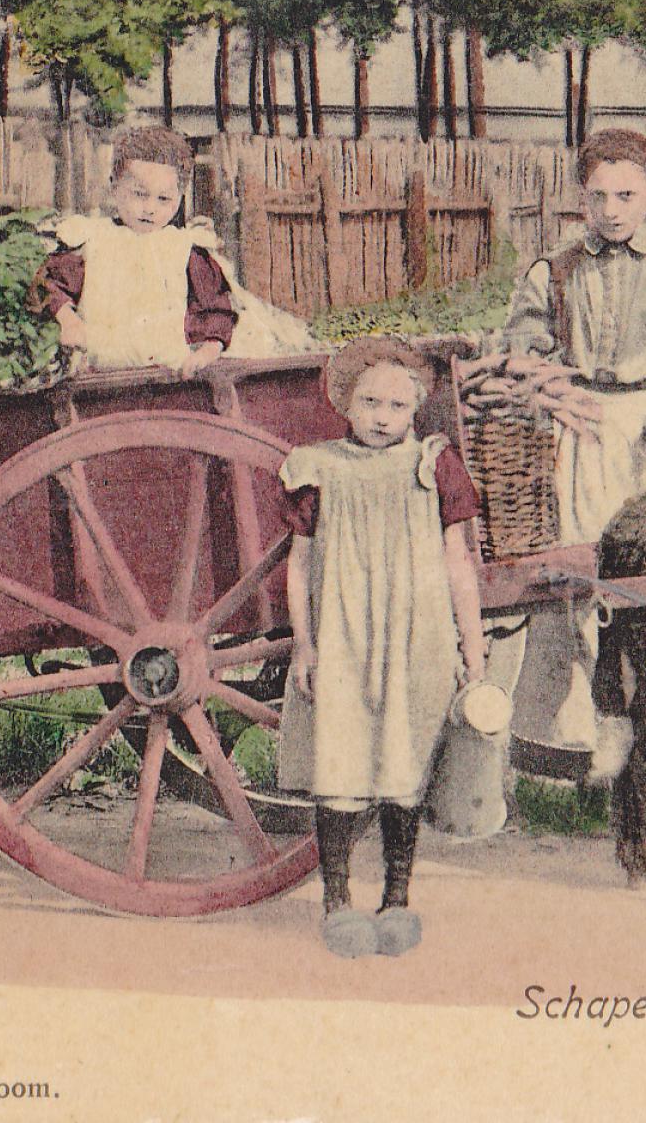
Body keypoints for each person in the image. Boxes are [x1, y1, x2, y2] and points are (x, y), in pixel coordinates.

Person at [498, 128, 646, 775]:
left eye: (626, 195)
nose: (611, 209)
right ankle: (582, 738)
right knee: (579, 589)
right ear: (581, 196)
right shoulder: (554, 272)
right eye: (599, 195)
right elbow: (518, 358)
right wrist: (550, 393)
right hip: (584, 439)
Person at [277, 336, 487, 958]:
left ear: (417, 408)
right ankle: (337, 900)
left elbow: (457, 563)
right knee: (340, 762)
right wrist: (304, 646)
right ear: (346, 402)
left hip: (415, 637)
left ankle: (397, 898)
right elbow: (299, 564)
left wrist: (473, 657)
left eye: (397, 406)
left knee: (404, 763)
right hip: (343, 635)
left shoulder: (434, 463)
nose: (381, 417)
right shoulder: (318, 466)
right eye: (369, 402)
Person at [26, 126, 315, 374]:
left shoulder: (184, 249)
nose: (150, 208)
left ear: (179, 198)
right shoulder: (93, 239)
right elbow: (51, 285)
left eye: (163, 199)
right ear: (114, 187)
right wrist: (68, 320)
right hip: (102, 368)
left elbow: (213, 309)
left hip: (167, 371)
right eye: (139, 194)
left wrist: (206, 352)